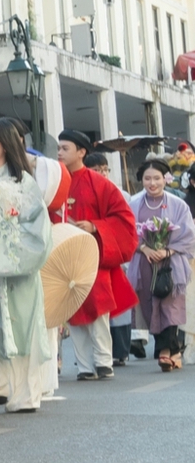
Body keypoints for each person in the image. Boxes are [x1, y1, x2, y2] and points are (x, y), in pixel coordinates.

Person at [0, 118, 54, 411]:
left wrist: (4, 250)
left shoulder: (24, 184)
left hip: (17, 268)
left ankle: (26, 394)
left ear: (6, 145)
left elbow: (38, 231)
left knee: (23, 327)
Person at [53, 130, 140, 382]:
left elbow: (123, 217)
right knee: (72, 310)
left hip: (93, 255)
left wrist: (94, 226)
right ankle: (84, 365)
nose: (59, 153)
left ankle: (103, 361)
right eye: (58, 148)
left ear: (82, 152)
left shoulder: (99, 183)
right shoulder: (54, 181)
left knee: (98, 309)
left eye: (65, 148)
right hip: (65, 257)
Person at [128, 156, 194, 371]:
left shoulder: (178, 204)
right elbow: (127, 232)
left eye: (157, 178)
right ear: (141, 180)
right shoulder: (134, 204)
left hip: (171, 263)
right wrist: (145, 248)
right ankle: (174, 351)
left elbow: (188, 235)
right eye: (147, 178)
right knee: (151, 306)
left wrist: (167, 250)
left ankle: (164, 352)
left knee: (170, 305)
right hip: (145, 263)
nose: (152, 183)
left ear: (165, 179)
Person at [85, 151, 136, 367]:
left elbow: (126, 224)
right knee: (94, 305)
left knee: (117, 305)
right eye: (97, 170)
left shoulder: (120, 194)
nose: (102, 173)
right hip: (90, 253)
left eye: (105, 169)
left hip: (114, 252)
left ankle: (120, 351)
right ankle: (92, 356)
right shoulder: (83, 191)